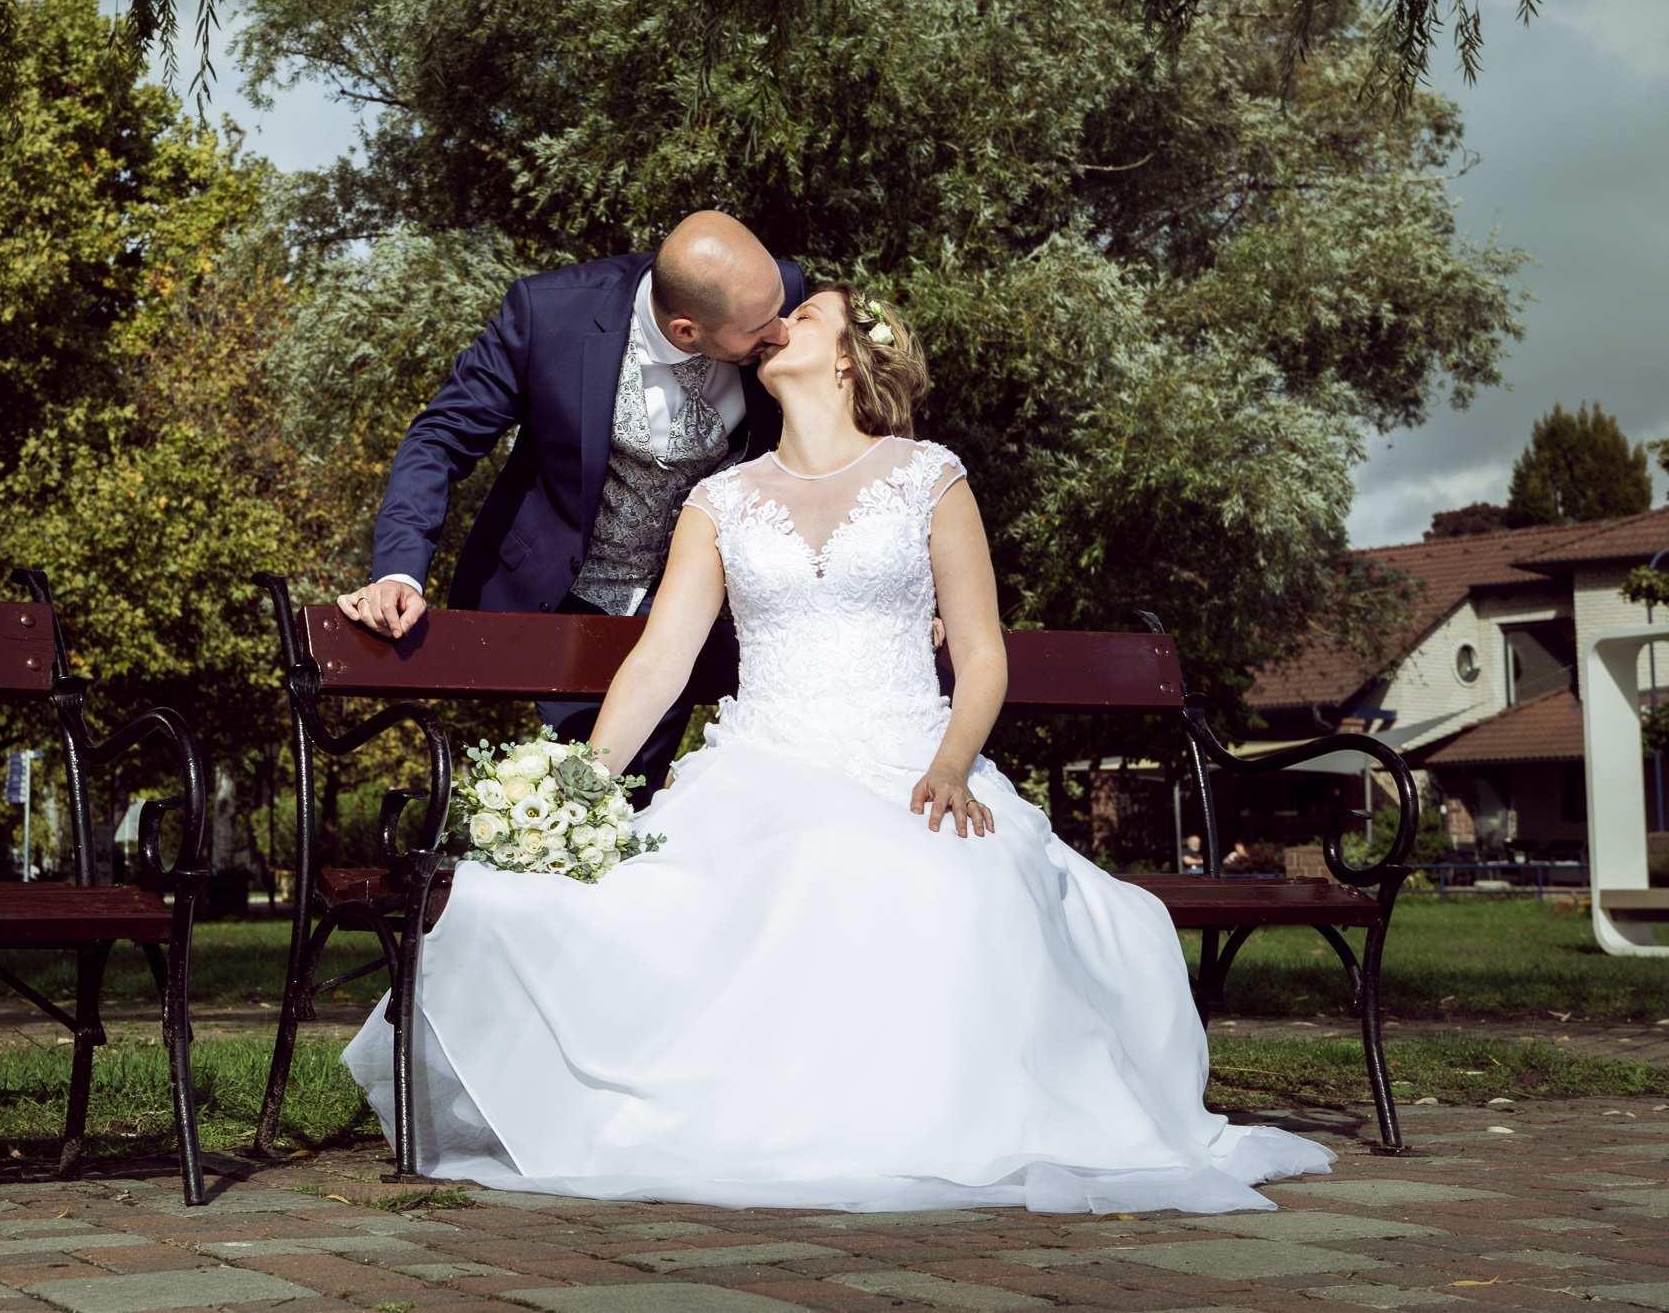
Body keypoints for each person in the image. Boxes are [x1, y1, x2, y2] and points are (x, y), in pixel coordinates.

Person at [340, 285, 1336, 1214]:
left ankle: (923, 1119)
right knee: (719, 881)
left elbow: (982, 655)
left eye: (806, 314)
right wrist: (582, 784)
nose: (779, 322)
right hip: (762, 762)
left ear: (851, 358)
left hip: (910, 758)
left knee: (951, 884)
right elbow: (660, 661)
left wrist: (951, 764)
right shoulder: (719, 501)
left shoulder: (929, 478)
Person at [336, 212, 803, 801]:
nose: (782, 332)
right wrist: (398, 571)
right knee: (602, 794)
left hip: (695, 608)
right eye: (762, 329)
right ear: (685, 331)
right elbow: (441, 438)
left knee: (638, 795)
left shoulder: (774, 296)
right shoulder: (549, 314)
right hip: (565, 598)